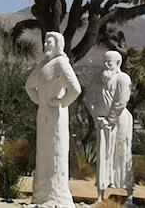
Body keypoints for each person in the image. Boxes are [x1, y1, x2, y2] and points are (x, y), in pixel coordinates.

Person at [25, 31, 81, 208]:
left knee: (56, 152)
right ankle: (41, 196)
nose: (46, 44)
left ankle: (57, 196)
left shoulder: (61, 63)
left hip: (57, 114)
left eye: (50, 41)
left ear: (58, 44)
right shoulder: (43, 65)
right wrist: (40, 101)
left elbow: (75, 89)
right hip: (43, 114)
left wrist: (60, 102)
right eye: (45, 41)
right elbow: (28, 86)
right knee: (43, 153)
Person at [83, 50, 134, 205]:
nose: (106, 65)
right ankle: (100, 194)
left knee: (122, 153)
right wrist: (96, 116)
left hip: (119, 122)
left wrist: (110, 119)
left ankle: (129, 193)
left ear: (117, 63)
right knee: (103, 155)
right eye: (104, 61)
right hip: (102, 123)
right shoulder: (97, 79)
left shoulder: (122, 79)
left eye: (109, 62)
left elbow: (121, 101)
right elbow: (88, 97)